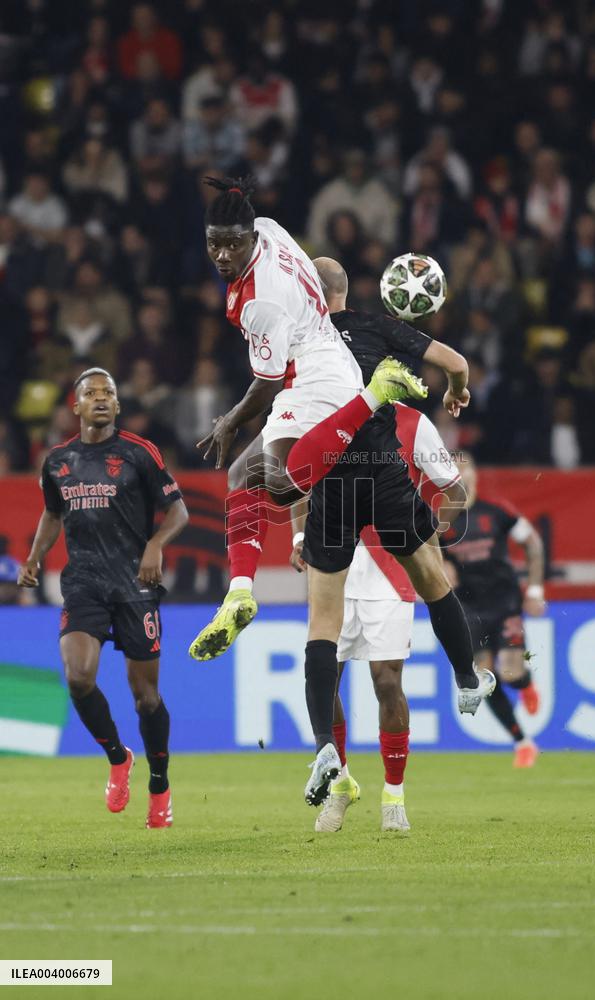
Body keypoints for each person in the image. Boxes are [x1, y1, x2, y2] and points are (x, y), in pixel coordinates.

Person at [188, 175, 432, 661]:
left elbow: (268, 383)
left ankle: (375, 393)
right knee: (243, 476)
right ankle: (239, 593)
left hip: (317, 377)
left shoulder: (262, 302)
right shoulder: (271, 229)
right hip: (316, 361)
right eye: (214, 244)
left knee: (278, 486)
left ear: (251, 238)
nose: (222, 255)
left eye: (233, 245)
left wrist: (231, 420)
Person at [294, 258, 495, 807]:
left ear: (307, 292)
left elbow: (285, 428)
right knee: (432, 578)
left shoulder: (297, 344)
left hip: (331, 482)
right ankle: (466, 679)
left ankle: (324, 750)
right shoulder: (379, 328)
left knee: (321, 623)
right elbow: (455, 363)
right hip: (384, 474)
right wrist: (455, 391)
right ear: (347, 291)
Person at [17, 368, 189, 826]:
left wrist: (155, 544)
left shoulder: (138, 453)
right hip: (84, 582)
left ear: (117, 405)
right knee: (78, 677)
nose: (99, 398)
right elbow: (53, 513)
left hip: (135, 584)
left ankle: (159, 782)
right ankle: (117, 757)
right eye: (90, 393)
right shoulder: (57, 461)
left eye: (107, 393)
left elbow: (179, 510)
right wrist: (35, 557)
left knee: (146, 697)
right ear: (75, 407)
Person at [291, 402, 465, 833]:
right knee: (326, 676)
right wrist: (299, 535)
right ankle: (342, 785)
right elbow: (298, 482)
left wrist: (430, 542)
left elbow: (454, 489)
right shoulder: (327, 410)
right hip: (335, 569)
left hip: (392, 571)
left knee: (387, 681)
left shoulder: (413, 422)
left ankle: (394, 796)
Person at [442, 453, 545, 768]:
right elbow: (427, 559)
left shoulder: (496, 512)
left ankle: (524, 684)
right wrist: (440, 568)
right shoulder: (440, 523)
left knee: (511, 672)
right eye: (453, 470)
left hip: (504, 602)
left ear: (474, 476)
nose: (461, 475)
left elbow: (533, 543)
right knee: (483, 678)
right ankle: (522, 743)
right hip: (468, 608)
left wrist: (536, 589)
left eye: (465, 468)